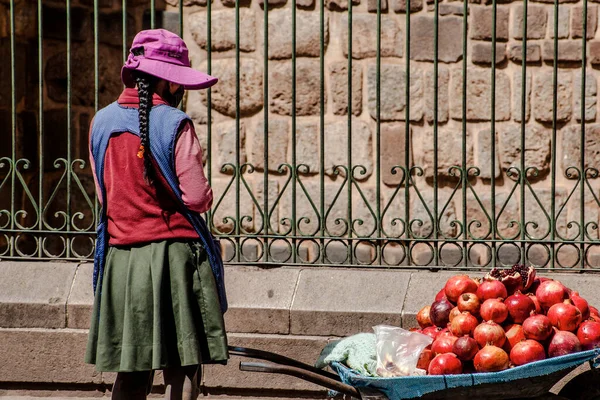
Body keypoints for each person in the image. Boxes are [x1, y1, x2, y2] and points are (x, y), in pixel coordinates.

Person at [85, 29, 228, 400]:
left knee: (131, 371)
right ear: (167, 80)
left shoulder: (99, 122)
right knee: (182, 367)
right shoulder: (176, 124)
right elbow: (196, 198)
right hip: (174, 261)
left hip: (121, 261)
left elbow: (105, 194)